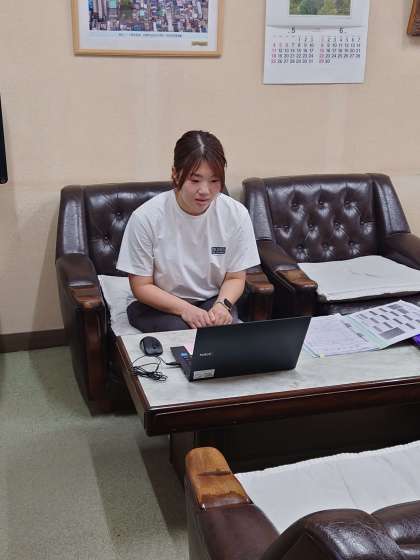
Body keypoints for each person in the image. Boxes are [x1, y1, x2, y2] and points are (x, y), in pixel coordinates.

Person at [117, 130, 260, 332]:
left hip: (211, 299)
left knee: (220, 332)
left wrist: (222, 305)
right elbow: (141, 286)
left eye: (214, 181)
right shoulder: (146, 218)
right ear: (175, 174)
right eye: (195, 180)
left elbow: (235, 278)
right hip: (156, 305)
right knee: (183, 334)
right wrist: (186, 310)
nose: (205, 191)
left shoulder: (236, 215)